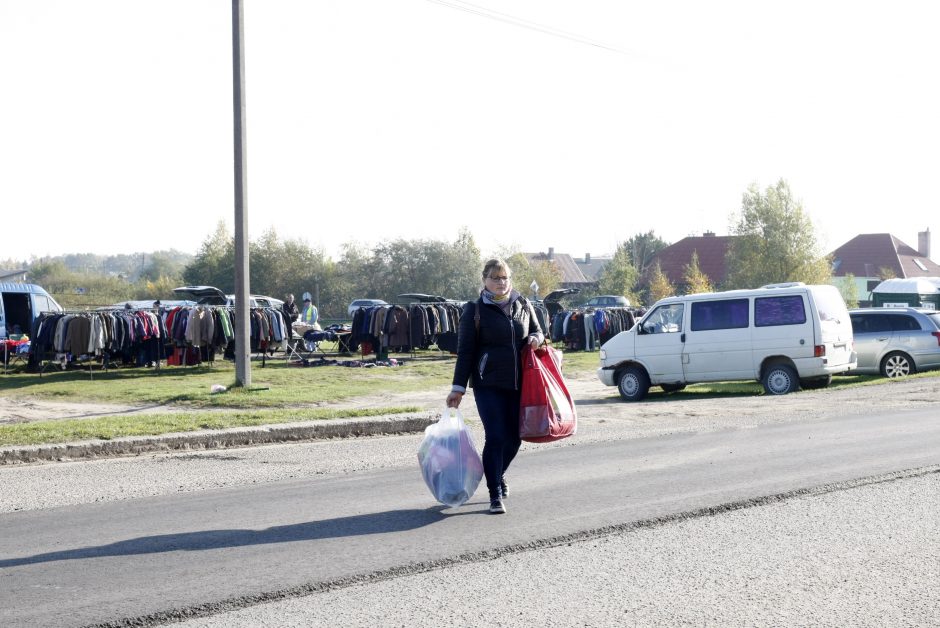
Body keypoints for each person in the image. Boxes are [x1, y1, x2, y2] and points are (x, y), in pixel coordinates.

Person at [446, 258, 544, 514]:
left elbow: (539, 331)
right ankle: (494, 494)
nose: (501, 283)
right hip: (487, 384)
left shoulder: (523, 304)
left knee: (515, 439)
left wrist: (536, 338)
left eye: (504, 278)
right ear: (484, 280)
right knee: (496, 436)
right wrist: (458, 387)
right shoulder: (474, 310)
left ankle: (497, 474)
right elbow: (465, 351)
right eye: (495, 278)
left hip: (518, 382)